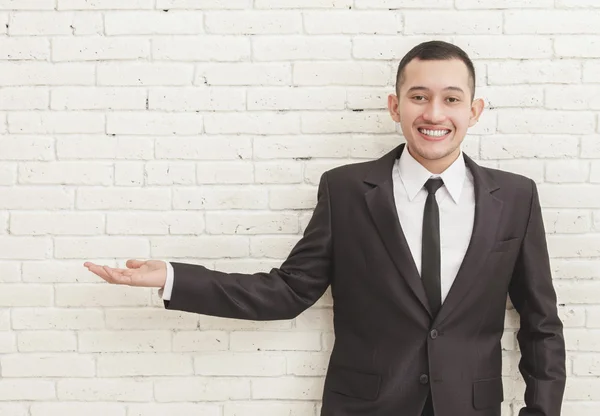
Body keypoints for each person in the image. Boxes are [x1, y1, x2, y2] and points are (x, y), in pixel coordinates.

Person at [84, 40, 566, 416]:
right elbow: (287, 292)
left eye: (451, 99)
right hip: (365, 407)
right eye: (418, 97)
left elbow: (541, 325)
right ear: (395, 107)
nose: (434, 114)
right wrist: (172, 277)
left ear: (473, 111)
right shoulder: (346, 191)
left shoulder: (516, 197)